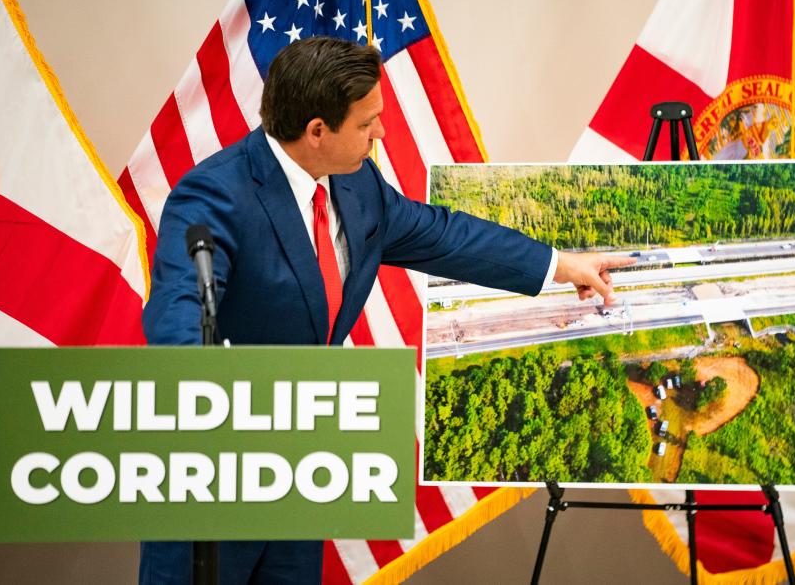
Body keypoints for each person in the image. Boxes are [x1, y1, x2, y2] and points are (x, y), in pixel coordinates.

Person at [140, 36, 633, 584]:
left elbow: (445, 236)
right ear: (318, 132)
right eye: (368, 122)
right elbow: (177, 317)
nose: (382, 133)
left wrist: (561, 266)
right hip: (212, 477)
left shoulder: (357, 183)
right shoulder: (213, 196)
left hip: (296, 472)